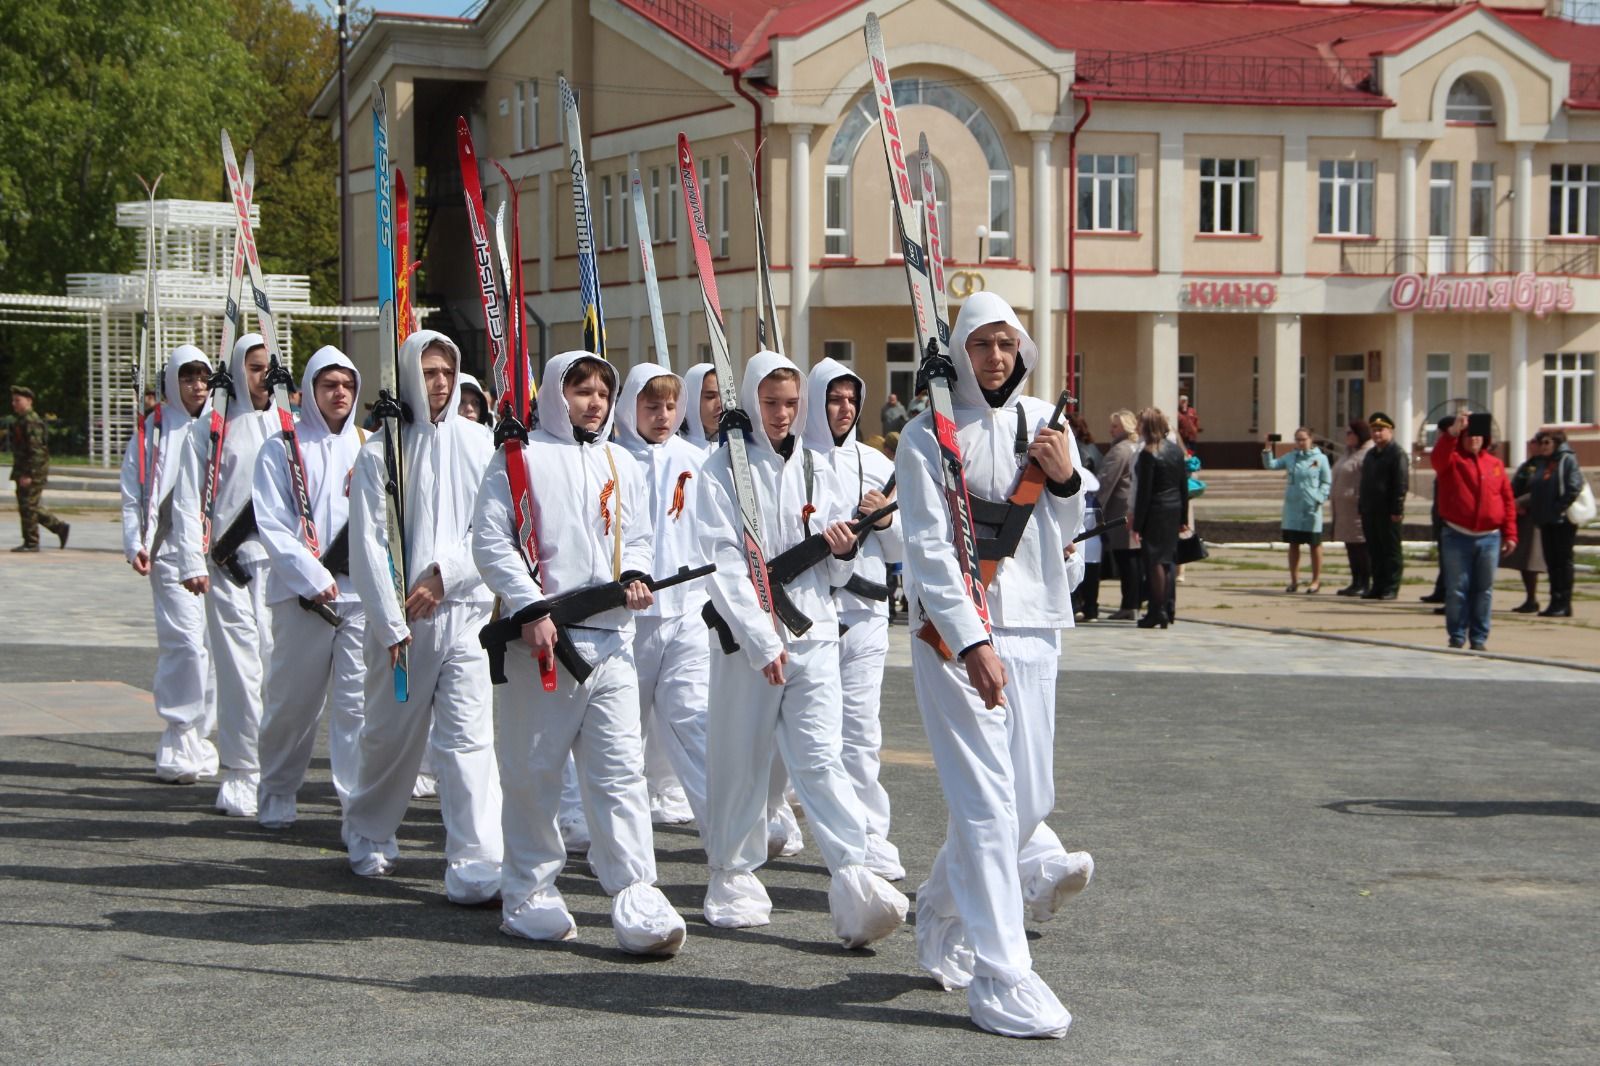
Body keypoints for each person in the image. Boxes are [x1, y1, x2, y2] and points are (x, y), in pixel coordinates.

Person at [897, 291, 1091, 1039]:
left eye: (1007, 344)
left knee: (1029, 800)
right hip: (953, 639)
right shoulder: (926, 437)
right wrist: (972, 640)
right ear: (961, 352)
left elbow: (1069, 531)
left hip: (1038, 621)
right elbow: (926, 549)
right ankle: (1002, 973)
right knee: (983, 804)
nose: (996, 358)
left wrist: (1067, 477)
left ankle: (941, 906)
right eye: (982, 345)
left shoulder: (1048, 423)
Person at [472, 351, 685, 955]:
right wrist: (528, 605)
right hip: (541, 644)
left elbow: (636, 533)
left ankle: (636, 893)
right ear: (554, 395)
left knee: (620, 775)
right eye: (580, 390)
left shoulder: (619, 458)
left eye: (600, 390)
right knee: (534, 774)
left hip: (614, 641)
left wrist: (638, 574)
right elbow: (491, 539)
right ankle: (530, 893)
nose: (593, 401)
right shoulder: (518, 459)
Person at [696, 349, 908, 947]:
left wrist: (839, 552)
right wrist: (762, 639)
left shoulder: (820, 467)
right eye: (771, 403)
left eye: (791, 404)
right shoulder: (722, 471)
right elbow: (725, 563)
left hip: (814, 632)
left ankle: (852, 873)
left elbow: (837, 569)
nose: (783, 414)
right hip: (748, 642)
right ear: (751, 403)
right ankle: (731, 873)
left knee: (822, 758)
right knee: (741, 759)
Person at [343, 330, 503, 905]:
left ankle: (476, 859)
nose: (438, 383)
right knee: (391, 739)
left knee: (468, 740)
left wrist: (446, 575)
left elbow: (491, 530)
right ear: (411, 375)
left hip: (465, 614)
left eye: (446, 372)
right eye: (429, 372)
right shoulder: (379, 451)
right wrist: (389, 622)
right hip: (402, 627)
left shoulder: (481, 443)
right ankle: (368, 828)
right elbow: (367, 542)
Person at [250, 346, 368, 829]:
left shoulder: (371, 444)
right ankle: (277, 788)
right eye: (328, 385)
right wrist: (311, 575)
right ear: (310, 390)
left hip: (360, 600)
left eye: (346, 385)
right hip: (302, 598)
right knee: (291, 705)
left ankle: (357, 809)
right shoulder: (281, 446)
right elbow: (272, 524)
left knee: (357, 709)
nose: (339, 393)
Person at [804, 357, 905, 881]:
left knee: (862, 733)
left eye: (850, 400)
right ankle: (783, 818)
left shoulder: (879, 463)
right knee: (809, 736)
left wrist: (885, 519)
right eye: (833, 399)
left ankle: (870, 834)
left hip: (867, 613)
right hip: (811, 614)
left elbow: (905, 546)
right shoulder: (794, 459)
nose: (843, 409)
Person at [171, 334, 275, 817]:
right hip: (228, 566)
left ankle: (275, 769)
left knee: (278, 673)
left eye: (269, 366)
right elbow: (189, 499)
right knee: (239, 672)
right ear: (236, 370)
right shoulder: (209, 430)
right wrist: (192, 560)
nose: (264, 376)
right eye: (254, 367)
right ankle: (241, 771)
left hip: (282, 570)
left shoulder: (287, 424)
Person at [614, 362, 712, 829]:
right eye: (651, 406)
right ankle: (601, 819)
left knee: (692, 714)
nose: (663, 415)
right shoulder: (610, 460)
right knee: (620, 726)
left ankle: (723, 820)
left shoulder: (694, 461)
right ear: (629, 405)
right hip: (626, 619)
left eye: (671, 406)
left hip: (687, 609)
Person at [120, 345, 218, 783]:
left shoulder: (223, 425)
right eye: (187, 377)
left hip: (219, 556)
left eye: (202, 377)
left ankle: (203, 736)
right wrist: (135, 542)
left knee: (216, 648)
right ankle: (179, 735)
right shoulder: (154, 429)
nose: (197, 386)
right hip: (171, 554)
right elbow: (133, 492)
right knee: (185, 646)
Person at [1430, 413, 1516, 650]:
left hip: (1489, 537)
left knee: (1484, 590)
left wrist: (1510, 534)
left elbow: (1507, 500)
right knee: (1457, 589)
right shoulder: (1452, 460)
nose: (1474, 440)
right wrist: (1452, 433)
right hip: (1457, 535)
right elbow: (1437, 460)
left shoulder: (1495, 464)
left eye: (1478, 436)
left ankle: (1479, 638)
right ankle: (1457, 636)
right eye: (1468, 436)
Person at [1518, 429, 1585, 618]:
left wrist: (1557, 508)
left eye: (1547, 443)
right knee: (1552, 563)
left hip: (1561, 521)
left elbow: (1574, 487)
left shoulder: (1566, 460)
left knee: (1562, 562)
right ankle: (1555, 601)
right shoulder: (1544, 462)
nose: (1543, 446)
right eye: (1541, 443)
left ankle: (1563, 602)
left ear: (1557, 443)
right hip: (1545, 520)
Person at [1132, 407, 1189, 629]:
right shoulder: (1175, 450)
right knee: (1166, 561)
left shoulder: (1149, 453)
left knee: (1154, 561)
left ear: (1147, 427)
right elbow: (1183, 486)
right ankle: (1164, 608)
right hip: (1173, 509)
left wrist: (1137, 524)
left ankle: (1157, 611)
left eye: (1140, 424)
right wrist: (1183, 516)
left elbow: (1144, 492)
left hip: (1155, 511)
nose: (1137, 428)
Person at [1262, 427, 1332, 593]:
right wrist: (1267, 449)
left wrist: (1319, 497)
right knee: (1293, 544)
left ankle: (1315, 580)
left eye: (1303, 439)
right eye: (1297, 439)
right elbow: (1271, 465)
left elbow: (1326, 481)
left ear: (1311, 439)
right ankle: (1294, 580)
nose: (1300, 443)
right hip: (1293, 507)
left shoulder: (1320, 458)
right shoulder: (1291, 457)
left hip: (1311, 507)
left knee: (1314, 544)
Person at [8, 385, 70, 551]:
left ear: (29, 401)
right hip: (23, 470)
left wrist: (29, 474)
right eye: (13, 400)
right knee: (28, 506)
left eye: (18, 400)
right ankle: (59, 528)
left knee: (29, 506)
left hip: (32, 471)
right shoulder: (21, 421)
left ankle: (32, 542)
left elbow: (37, 451)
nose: (14, 404)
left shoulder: (31, 421)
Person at [1358, 412, 1408, 600]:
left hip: (1388, 511)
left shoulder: (1397, 453)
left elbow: (1400, 483)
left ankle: (1391, 586)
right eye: (1374, 430)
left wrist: (1397, 509)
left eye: (1381, 430)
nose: (1377, 434)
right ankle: (1377, 586)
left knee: (1390, 550)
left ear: (1390, 431)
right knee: (1375, 549)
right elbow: (1365, 482)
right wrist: (1361, 505)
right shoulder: (1371, 454)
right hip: (1370, 510)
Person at [1099, 409, 1140, 620]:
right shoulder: (1137, 447)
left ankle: (1129, 604)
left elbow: (1106, 482)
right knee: (1132, 559)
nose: (1111, 430)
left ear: (1125, 427)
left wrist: (1096, 509)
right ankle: (1133, 602)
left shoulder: (1120, 450)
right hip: (1133, 508)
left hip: (1120, 511)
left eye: (1115, 426)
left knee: (1127, 559)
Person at [1503, 442, 1548, 614]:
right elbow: (1513, 486)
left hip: (1534, 518)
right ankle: (1530, 599)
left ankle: (1535, 599)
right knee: (1524, 561)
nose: (1533, 446)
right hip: (1521, 517)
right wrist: (1511, 502)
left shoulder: (1546, 466)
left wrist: (1519, 503)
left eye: (1538, 443)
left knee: (1531, 560)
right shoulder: (1528, 465)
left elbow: (1541, 490)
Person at [1066, 414, 1102, 621]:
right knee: (1086, 567)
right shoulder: (1093, 458)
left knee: (1082, 566)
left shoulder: (1081, 471)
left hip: (1083, 524)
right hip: (1087, 525)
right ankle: (1089, 607)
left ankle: (1083, 606)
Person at [1331, 420, 1373, 597]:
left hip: (1357, 508)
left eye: (1351, 433)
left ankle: (1365, 582)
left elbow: (1368, 481)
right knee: (1350, 545)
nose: (1347, 436)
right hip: (1344, 509)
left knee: (1361, 546)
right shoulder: (1347, 454)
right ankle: (1355, 581)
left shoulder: (1367, 454)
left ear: (1360, 434)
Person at [680, 362, 721, 452]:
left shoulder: (738, 448)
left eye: (724, 396)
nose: (720, 404)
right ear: (691, 398)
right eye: (710, 397)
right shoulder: (676, 448)